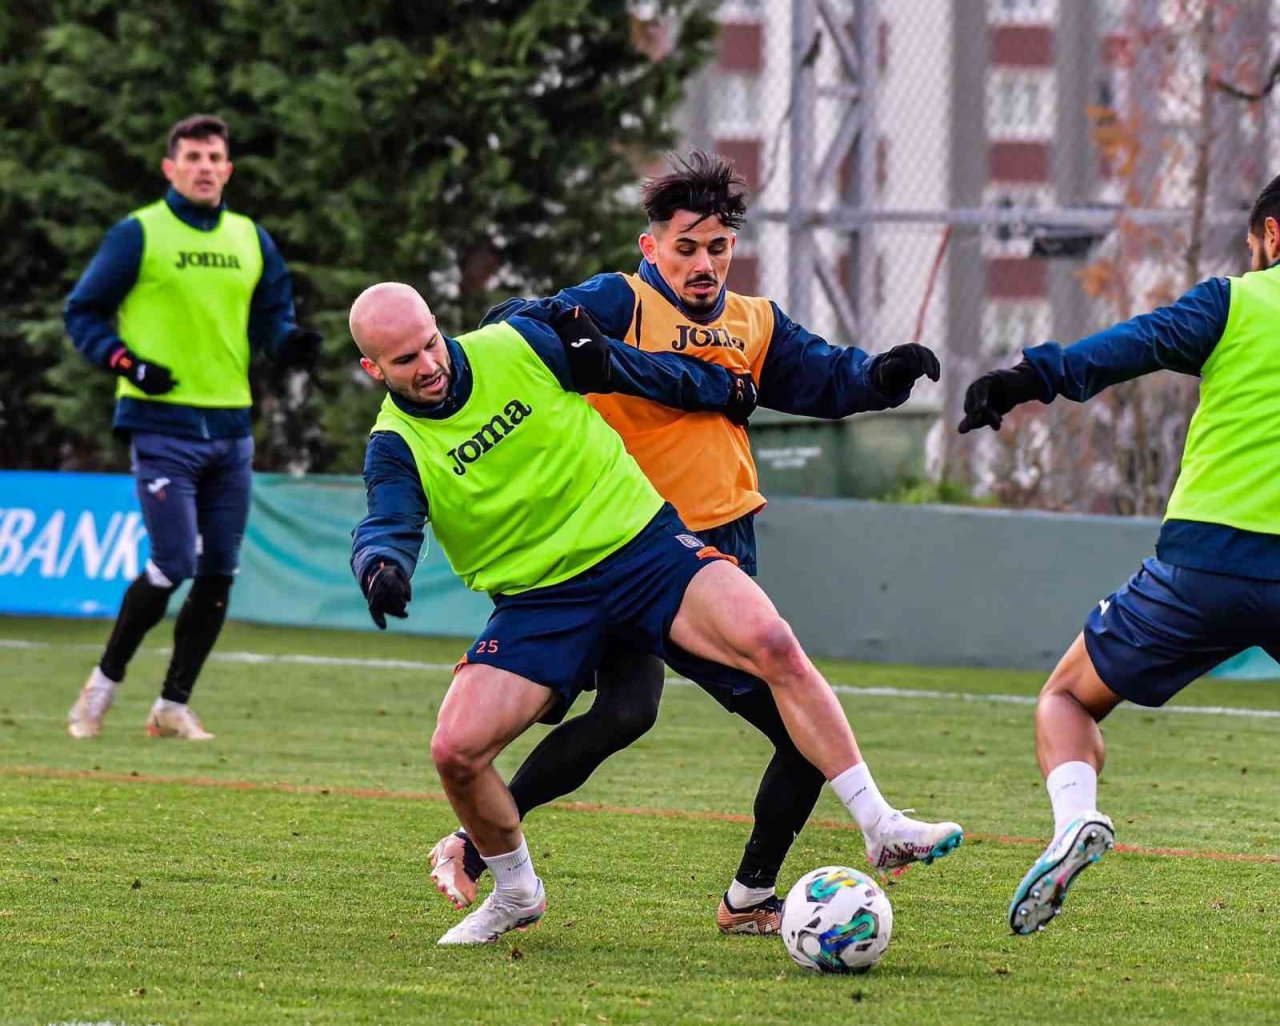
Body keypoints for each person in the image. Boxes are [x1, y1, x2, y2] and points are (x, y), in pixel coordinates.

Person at [428, 150, 951, 935]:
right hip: (620, 547)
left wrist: (882, 376)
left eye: (718, 247)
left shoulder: (755, 323)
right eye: (685, 248)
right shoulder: (618, 301)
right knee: (628, 714)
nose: (704, 264)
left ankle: (749, 896)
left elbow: (825, 376)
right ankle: (483, 845)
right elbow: (516, 327)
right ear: (651, 247)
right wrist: (548, 323)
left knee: (748, 723)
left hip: (716, 548)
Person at [958, 173, 1280, 935]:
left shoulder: (1235, 301)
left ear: (1271, 236)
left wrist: (1025, 378)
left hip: (1202, 563)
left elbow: (1133, 344)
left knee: (1068, 699)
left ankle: (1076, 819)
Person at [64, 114, 321, 741]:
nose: (204, 167)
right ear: (170, 167)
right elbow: (83, 312)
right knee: (174, 560)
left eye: (214, 158)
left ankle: (171, 706)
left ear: (227, 169)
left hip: (231, 428)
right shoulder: (138, 233)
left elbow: (272, 320)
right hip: (160, 425)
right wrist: (126, 362)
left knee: (220, 572)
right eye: (193, 157)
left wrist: (288, 344)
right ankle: (101, 687)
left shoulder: (250, 238)